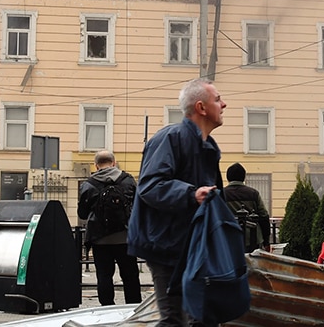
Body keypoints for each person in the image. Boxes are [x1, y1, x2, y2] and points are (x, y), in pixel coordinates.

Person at [127, 78, 226, 327]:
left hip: (191, 246)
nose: (224, 104)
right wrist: (191, 194)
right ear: (201, 108)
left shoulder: (208, 146)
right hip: (166, 246)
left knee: (203, 317)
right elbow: (149, 186)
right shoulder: (171, 138)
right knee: (174, 320)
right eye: (218, 99)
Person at [77, 149, 142, 306]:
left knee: (104, 276)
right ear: (114, 163)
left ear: (96, 165)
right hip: (125, 238)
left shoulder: (89, 185)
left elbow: (83, 214)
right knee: (130, 276)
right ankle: (133, 309)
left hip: (100, 240)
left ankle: (107, 309)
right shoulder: (127, 180)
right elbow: (139, 206)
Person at [221, 162, 272, 253]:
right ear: (244, 177)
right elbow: (264, 216)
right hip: (253, 239)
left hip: (228, 239)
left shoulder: (221, 194)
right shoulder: (253, 193)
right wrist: (266, 241)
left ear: (228, 177)